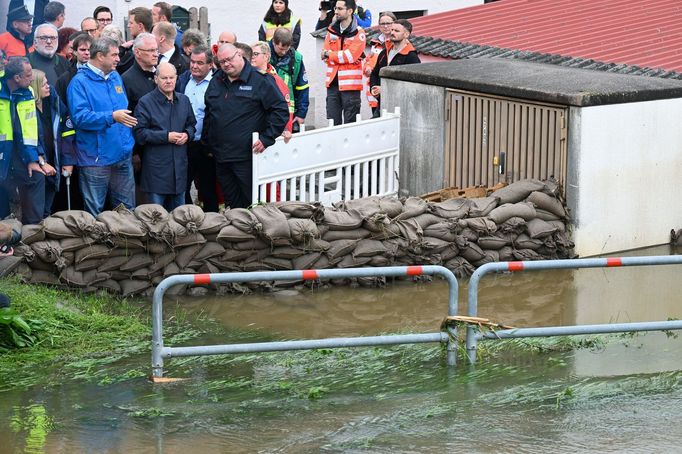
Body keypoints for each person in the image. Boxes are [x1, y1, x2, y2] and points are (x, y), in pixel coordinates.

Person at [203, 43, 289, 209]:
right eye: (222, 62)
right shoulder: (216, 81)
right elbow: (210, 114)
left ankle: (254, 234)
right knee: (233, 206)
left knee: (252, 205)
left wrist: (266, 138)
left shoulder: (260, 80)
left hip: (247, 158)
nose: (226, 64)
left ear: (239, 55)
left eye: (229, 59)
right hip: (221, 157)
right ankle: (238, 234)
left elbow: (280, 111)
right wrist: (208, 144)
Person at [67, 37, 137, 216]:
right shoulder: (79, 83)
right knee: (94, 213)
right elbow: (80, 118)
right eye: (114, 55)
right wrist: (111, 117)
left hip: (121, 156)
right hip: (95, 160)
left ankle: (126, 243)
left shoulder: (115, 77)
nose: (118, 59)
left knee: (126, 210)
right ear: (99, 56)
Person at [0, 57, 55, 224]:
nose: (32, 78)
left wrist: (35, 158)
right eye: (29, 75)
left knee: (36, 178)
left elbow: (31, 130)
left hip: (20, 154)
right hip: (3, 154)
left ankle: (33, 230)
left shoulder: (28, 92)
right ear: (17, 78)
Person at [134, 62, 196, 210]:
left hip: (179, 171)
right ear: (156, 79)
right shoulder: (145, 102)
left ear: (176, 79)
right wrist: (166, 137)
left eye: (171, 78)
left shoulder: (184, 100)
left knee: (179, 218)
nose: (168, 81)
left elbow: (192, 125)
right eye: (164, 78)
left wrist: (187, 135)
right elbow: (140, 134)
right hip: (157, 172)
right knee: (156, 218)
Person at [176, 45, 217, 211]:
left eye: (200, 63)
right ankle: (189, 218)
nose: (194, 66)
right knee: (182, 186)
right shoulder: (183, 79)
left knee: (208, 189)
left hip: (207, 146)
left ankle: (211, 224)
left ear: (210, 64)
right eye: (192, 62)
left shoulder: (218, 82)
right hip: (185, 143)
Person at [29, 69, 75, 216]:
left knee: (47, 210)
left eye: (47, 83)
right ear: (35, 88)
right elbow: (26, 140)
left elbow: (66, 131)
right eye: (44, 85)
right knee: (35, 213)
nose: (48, 86)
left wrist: (68, 160)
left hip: (54, 163)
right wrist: (41, 162)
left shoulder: (53, 101)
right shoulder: (26, 108)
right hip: (37, 165)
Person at [321, 0, 366, 125]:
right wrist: (335, 56)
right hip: (332, 84)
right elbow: (324, 56)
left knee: (350, 125)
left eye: (340, 9)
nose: (336, 11)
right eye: (335, 8)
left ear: (350, 11)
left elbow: (350, 56)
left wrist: (330, 55)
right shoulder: (331, 30)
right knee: (332, 124)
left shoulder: (359, 33)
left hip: (350, 85)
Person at [369, 19, 421, 113]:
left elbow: (411, 85)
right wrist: (373, 87)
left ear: (406, 34)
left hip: (401, 107)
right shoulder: (384, 52)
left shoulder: (411, 57)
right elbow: (374, 73)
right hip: (382, 104)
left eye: (396, 31)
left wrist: (384, 89)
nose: (392, 33)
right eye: (392, 30)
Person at [269, 28, 308, 132]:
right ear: (273, 42)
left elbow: (302, 88)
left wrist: (301, 114)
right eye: (281, 48)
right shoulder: (262, 54)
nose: (284, 52)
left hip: (287, 112)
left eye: (286, 48)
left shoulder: (296, 59)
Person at [364, 11, 395, 116]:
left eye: (389, 23)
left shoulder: (397, 42)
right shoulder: (375, 43)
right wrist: (367, 69)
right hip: (375, 88)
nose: (385, 26)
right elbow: (369, 61)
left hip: (390, 88)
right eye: (382, 24)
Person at [122, 32, 158, 115]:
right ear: (137, 52)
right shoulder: (127, 79)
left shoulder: (162, 74)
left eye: (156, 50)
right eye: (151, 50)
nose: (156, 54)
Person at [56, 32, 92, 102]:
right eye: (83, 50)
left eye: (90, 50)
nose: (87, 53)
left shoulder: (103, 74)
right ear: (75, 52)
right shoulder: (64, 79)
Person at [118, 7, 152, 74]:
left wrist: (121, 48)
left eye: (131, 23)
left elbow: (119, 66)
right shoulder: (154, 43)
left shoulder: (137, 47)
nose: (128, 26)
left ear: (140, 26)